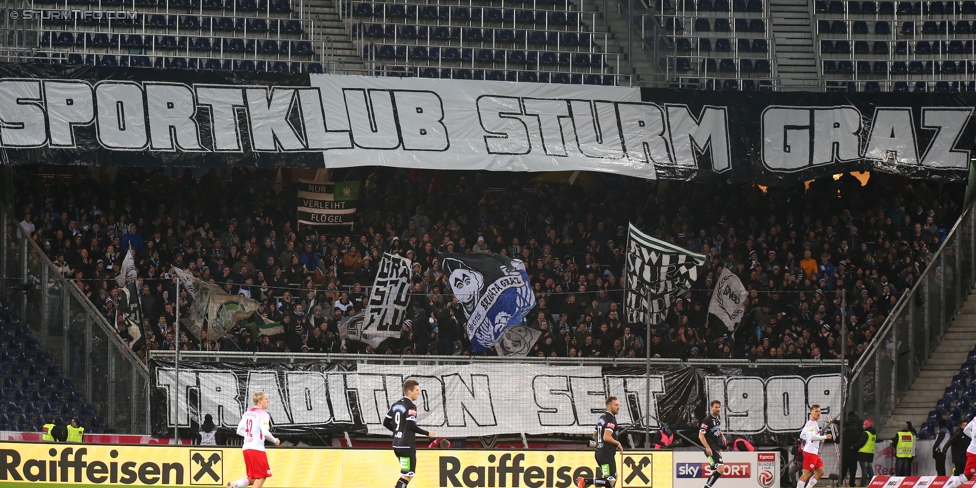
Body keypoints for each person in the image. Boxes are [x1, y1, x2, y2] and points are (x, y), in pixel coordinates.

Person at [384, 379, 435, 488]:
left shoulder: (395, 405)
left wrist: (397, 431)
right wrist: (427, 433)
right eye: (416, 390)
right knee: (408, 475)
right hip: (406, 445)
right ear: (409, 392)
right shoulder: (411, 406)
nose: (419, 392)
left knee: (405, 473)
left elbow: (385, 422)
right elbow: (411, 425)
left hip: (397, 445)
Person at [228, 391, 280, 488]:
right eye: (266, 399)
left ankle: (235, 485)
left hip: (246, 448)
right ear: (260, 401)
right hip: (257, 448)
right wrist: (274, 440)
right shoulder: (263, 414)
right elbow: (265, 432)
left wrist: (249, 436)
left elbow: (239, 430)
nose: (268, 401)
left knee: (252, 478)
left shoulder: (247, 413)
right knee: (262, 476)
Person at [577, 396, 623, 488]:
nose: (618, 407)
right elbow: (606, 437)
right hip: (606, 453)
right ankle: (585, 481)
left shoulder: (602, 418)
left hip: (600, 453)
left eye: (618, 405)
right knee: (611, 480)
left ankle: (585, 481)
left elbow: (594, 435)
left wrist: (599, 443)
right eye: (616, 405)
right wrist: (618, 444)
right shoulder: (611, 419)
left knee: (610, 480)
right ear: (609, 406)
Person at [798, 404, 833, 488]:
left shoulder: (812, 423)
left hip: (813, 452)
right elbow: (811, 437)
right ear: (811, 412)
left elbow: (802, 435)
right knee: (807, 474)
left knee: (820, 471)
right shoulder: (812, 424)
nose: (818, 413)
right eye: (816, 411)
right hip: (810, 452)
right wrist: (825, 437)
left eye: (819, 411)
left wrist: (814, 440)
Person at [698, 400, 727, 488]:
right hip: (711, 448)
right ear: (711, 408)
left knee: (718, 470)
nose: (718, 409)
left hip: (716, 447)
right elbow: (700, 435)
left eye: (719, 407)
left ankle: (707, 486)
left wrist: (722, 435)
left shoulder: (718, 418)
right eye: (716, 407)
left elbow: (717, 428)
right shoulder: (707, 420)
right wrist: (707, 447)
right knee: (721, 469)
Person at [944, 419, 976, 488]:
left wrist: (973, 438)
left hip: (972, 451)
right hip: (974, 453)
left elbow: (966, 430)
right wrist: (973, 437)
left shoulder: (974, 419)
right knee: (967, 476)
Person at [856, 419, 876, 487]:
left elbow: (861, 443)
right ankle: (871, 482)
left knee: (864, 469)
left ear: (866, 425)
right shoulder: (873, 434)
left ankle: (863, 483)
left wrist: (854, 446)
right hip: (870, 453)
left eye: (864, 424)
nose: (863, 425)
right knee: (870, 469)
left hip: (863, 453)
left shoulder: (866, 433)